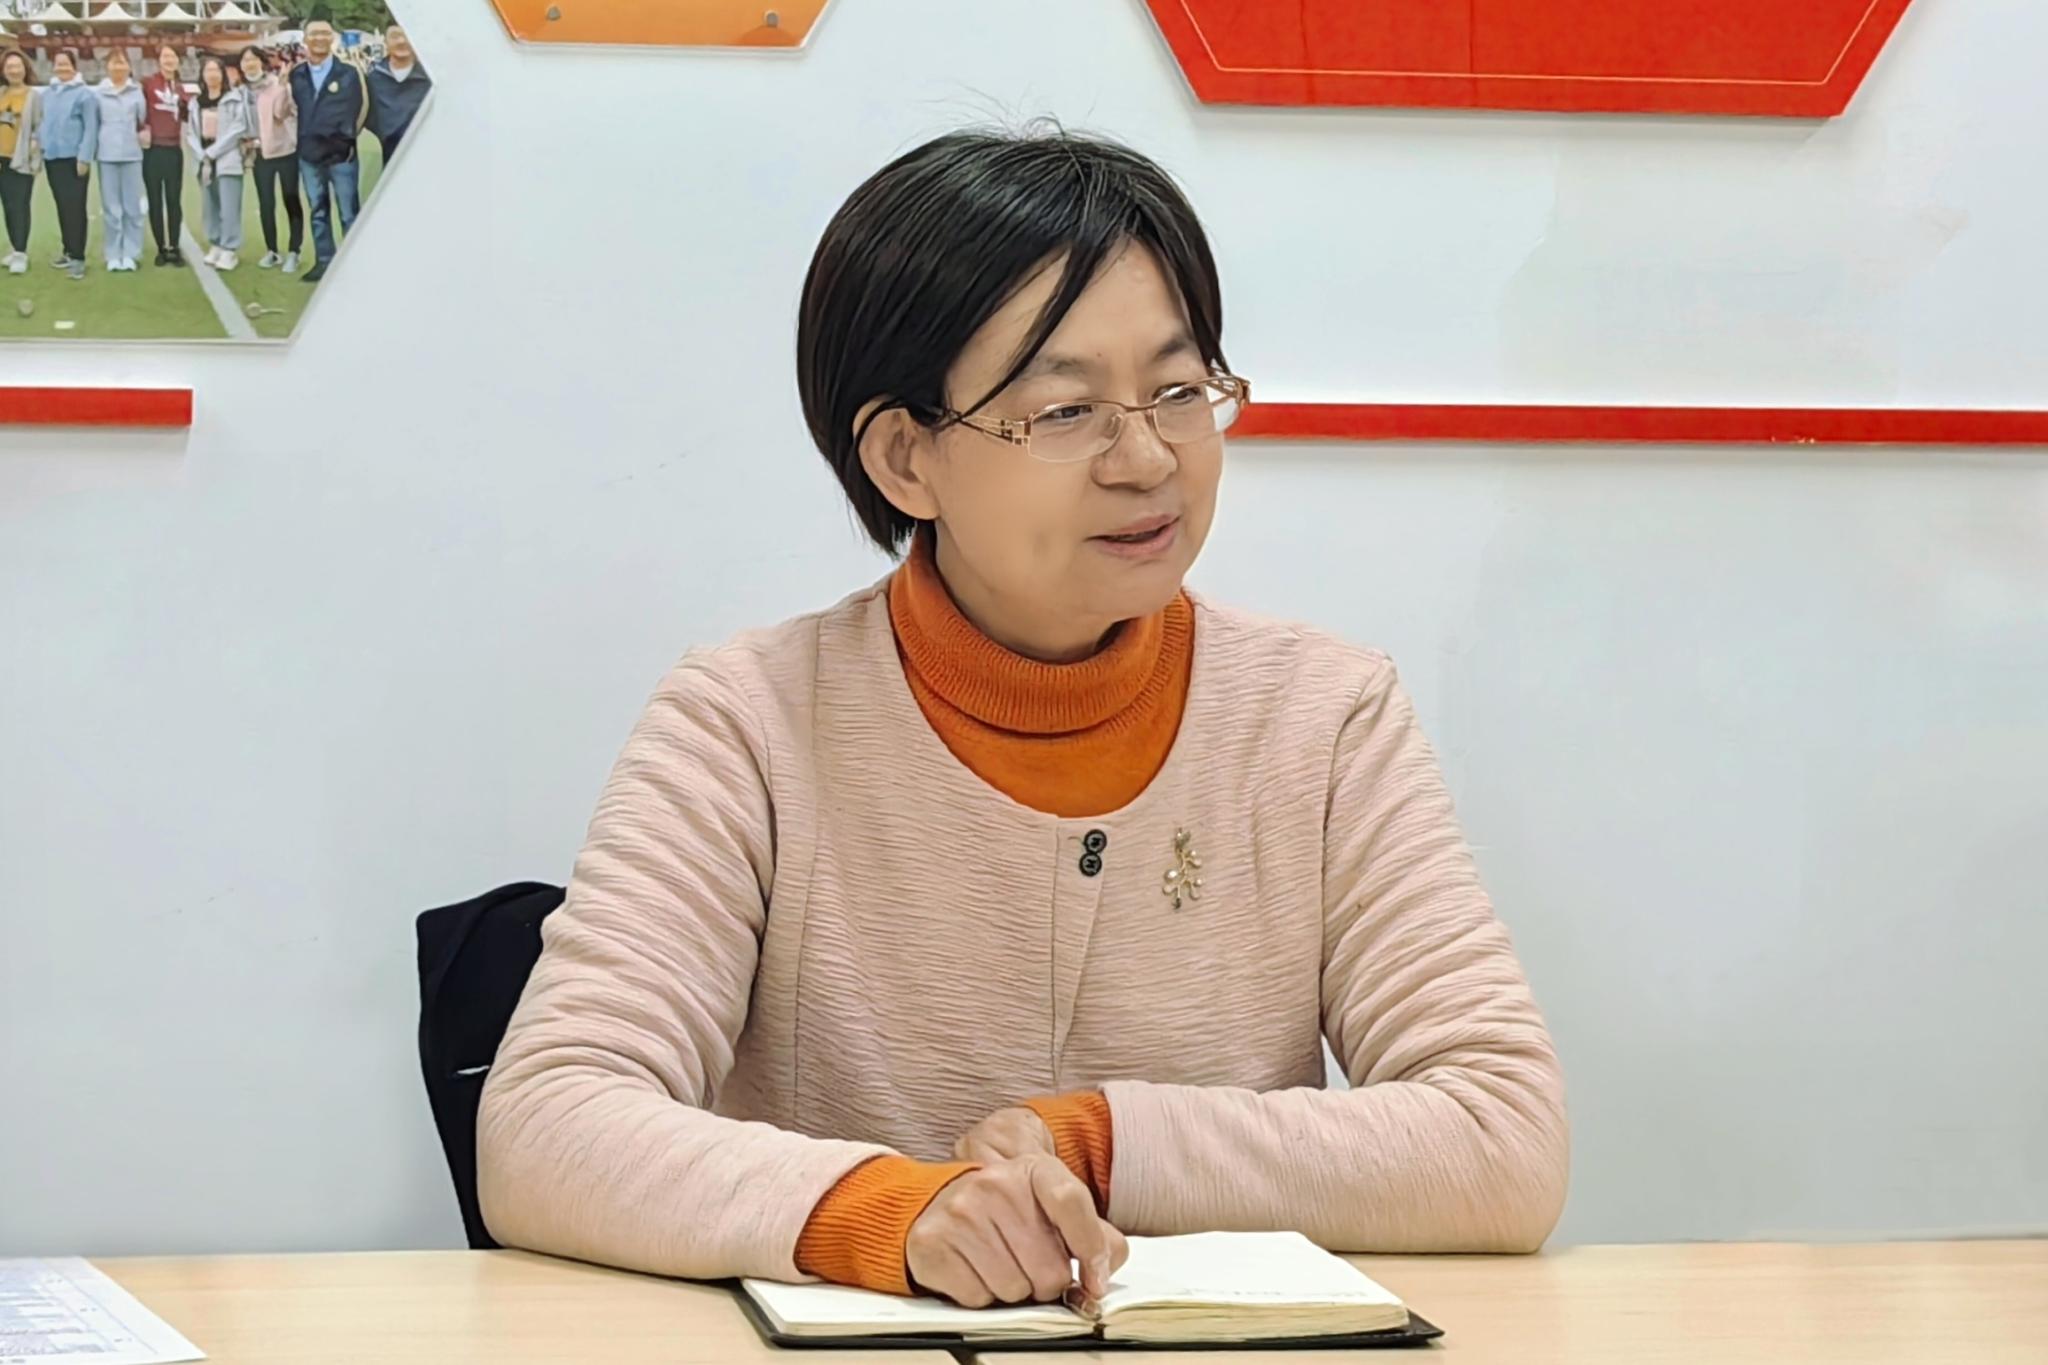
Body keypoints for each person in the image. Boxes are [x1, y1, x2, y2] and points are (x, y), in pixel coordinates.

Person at [476, 130, 1569, 1307]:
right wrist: (890, 1211)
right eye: (1065, 411)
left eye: (1177, 392)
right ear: (905, 458)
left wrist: (1103, 1145)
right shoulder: (745, 725)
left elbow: (1501, 1138)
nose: (1145, 458)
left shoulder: (1321, 718)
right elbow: (547, 1124)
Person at [288, 18, 367, 284]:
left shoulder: (349, 73)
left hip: (341, 156)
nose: (319, 38)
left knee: (349, 214)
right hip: (309, 156)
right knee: (318, 212)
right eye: (314, 34)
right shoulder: (297, 74)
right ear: (305, 39)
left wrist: (346, 140)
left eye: (324, 33)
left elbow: (357, 109)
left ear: (332, 37)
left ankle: (355, 264)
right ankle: (324, 261)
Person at [36, 49, 94, 281]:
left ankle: (78, 257)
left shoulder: (84, 95)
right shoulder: (48, 94)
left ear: (74, 66)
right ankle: (68, 250)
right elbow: (43, 123)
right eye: (58, 64)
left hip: (74, 159)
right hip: (53, 158)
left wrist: (84, 157)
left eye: (66, 64)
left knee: (75, 208)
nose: (62, 68)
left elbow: (90, 128)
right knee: (62, 206)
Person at [241, 45, 301, 274]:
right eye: (245, 60)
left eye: (253, 59)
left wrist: (284, 87)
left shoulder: (277, 84)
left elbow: (281, 113)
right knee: (266, 203)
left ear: (261, 62)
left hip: (284, 151)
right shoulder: (242, 91)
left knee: (290, 199)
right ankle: (272, 250)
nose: (249, 64)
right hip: (259, 154)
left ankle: (294, 251)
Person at [187, 54, 249, 271]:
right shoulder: (196, 102)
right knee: (209, 205)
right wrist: (201, 154)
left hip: (227, 159)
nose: (212, 74)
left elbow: (238, 128)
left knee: (229, 206)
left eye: (216, 70)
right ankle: (216, 243)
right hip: (204, 161)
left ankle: (229, 248)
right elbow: (191, 133)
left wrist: (213, 152)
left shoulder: (233, 99)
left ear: (222, 74)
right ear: (202, 75)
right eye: (208, 70)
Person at [90, 48, 148, 274]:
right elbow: (94, 123)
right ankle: (113, 254)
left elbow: (142, 120)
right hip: (107, 155)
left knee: (132, 207)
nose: (118, 67)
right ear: (107, 67)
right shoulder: (98, 94)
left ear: (129, 67)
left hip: (132, 155)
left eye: (122, 62)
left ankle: (131, 253)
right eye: (114, 63)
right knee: (112, 209)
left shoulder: (137, 92)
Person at [140, 44, 188, 267]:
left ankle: (174, 247)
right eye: (165, 56)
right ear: (159, 60)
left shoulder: (181, 88)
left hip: (174, 149)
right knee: (155, 200)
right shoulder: (148, 84)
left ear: (178, 60)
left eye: (173, 56)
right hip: (152, 150)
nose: (169, 60)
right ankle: (161, 247)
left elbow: (187, 116)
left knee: (173, 200)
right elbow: (138, 112)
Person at [0, 50, 41, 276]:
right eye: (9, 67)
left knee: (19, 206)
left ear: (25, 69)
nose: (14, 71)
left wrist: (34, 151)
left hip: (21, 160)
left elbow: (39, 126)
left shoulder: (33, 96)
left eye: (17, 66)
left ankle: (21, 252)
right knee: (7, 205)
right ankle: (15, 249)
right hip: (1, 160)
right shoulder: (1, 93)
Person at [366, 23, 429, 162]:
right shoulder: (373, 78)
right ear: (385, 41)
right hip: (381, 154)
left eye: (407, 35)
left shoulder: (429, 81)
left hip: (420, 153)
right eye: (395, 36)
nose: (401, 41)